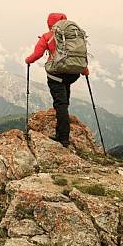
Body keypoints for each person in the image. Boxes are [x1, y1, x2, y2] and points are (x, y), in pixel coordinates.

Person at [24, 12, 89, 147]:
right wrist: (84, 70)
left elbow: (37, 54)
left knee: (60, 104)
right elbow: (78, 55)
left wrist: (27, 60)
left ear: (49, 23)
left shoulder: (47, 36)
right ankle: (63, 128)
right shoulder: (73, 35)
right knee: (64, 99)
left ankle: (63, 138)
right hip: (73, 74)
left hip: (56, 75)